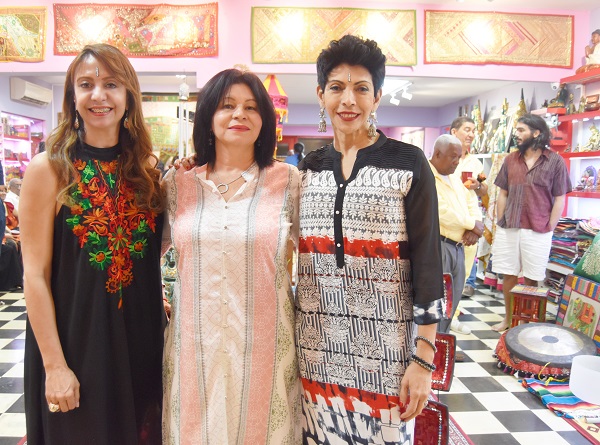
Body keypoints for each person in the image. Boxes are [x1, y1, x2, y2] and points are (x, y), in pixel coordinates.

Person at [296, 35, 444, 444]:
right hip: (315, 350)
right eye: (337, 88)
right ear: (321, 94)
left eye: (361, 88)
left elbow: (429, 264)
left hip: (387, 353)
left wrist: (423, 358)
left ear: (377, 97)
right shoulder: (306, 170)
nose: (349, 100)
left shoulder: (408, 162)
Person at [20, 43, 165, 444]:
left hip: (140, 346)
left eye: (111, 84)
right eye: (86, 84)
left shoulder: (147, 170)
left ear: (128, 97)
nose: (98, 95)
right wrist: (54, 366)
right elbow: (34, 275)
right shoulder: (48, 169)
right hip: (76, 349)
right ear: (72, 98)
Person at [162, 68, 301, 443]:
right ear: (208, 116)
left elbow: (311, 259)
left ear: (264, 121)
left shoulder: (287, 182)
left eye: (251, 107)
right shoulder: (177, 184)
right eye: (227, 106)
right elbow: (152, 253)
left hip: (266, 348)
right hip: (195, 347)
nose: (239, 114)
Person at [491, 114, 571, 332]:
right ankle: (509, 319)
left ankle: (525, 322)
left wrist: (550, 226)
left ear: (536, 133)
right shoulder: (510, 160)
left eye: (521, 130)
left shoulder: (554, 161)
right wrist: (500, 220)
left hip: (538, 228)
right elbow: (503, 193)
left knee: (532, 278)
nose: (516, 134)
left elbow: (560, 197)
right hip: (510, 226)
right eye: (516, 130)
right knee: (508, 273)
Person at [429, 135, 483, 336]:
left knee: (453, 301)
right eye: (453, 157)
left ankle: (442, 347)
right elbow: (440, 212)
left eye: (459, 157)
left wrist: (474, 229)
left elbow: (471, 202)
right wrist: (472, 225)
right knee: (435, 303)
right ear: (437, 154)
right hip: (438, 247)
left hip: (459, 247)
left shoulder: (454, 176)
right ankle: (428, 351)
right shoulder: (425, 175)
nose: (456, 161)